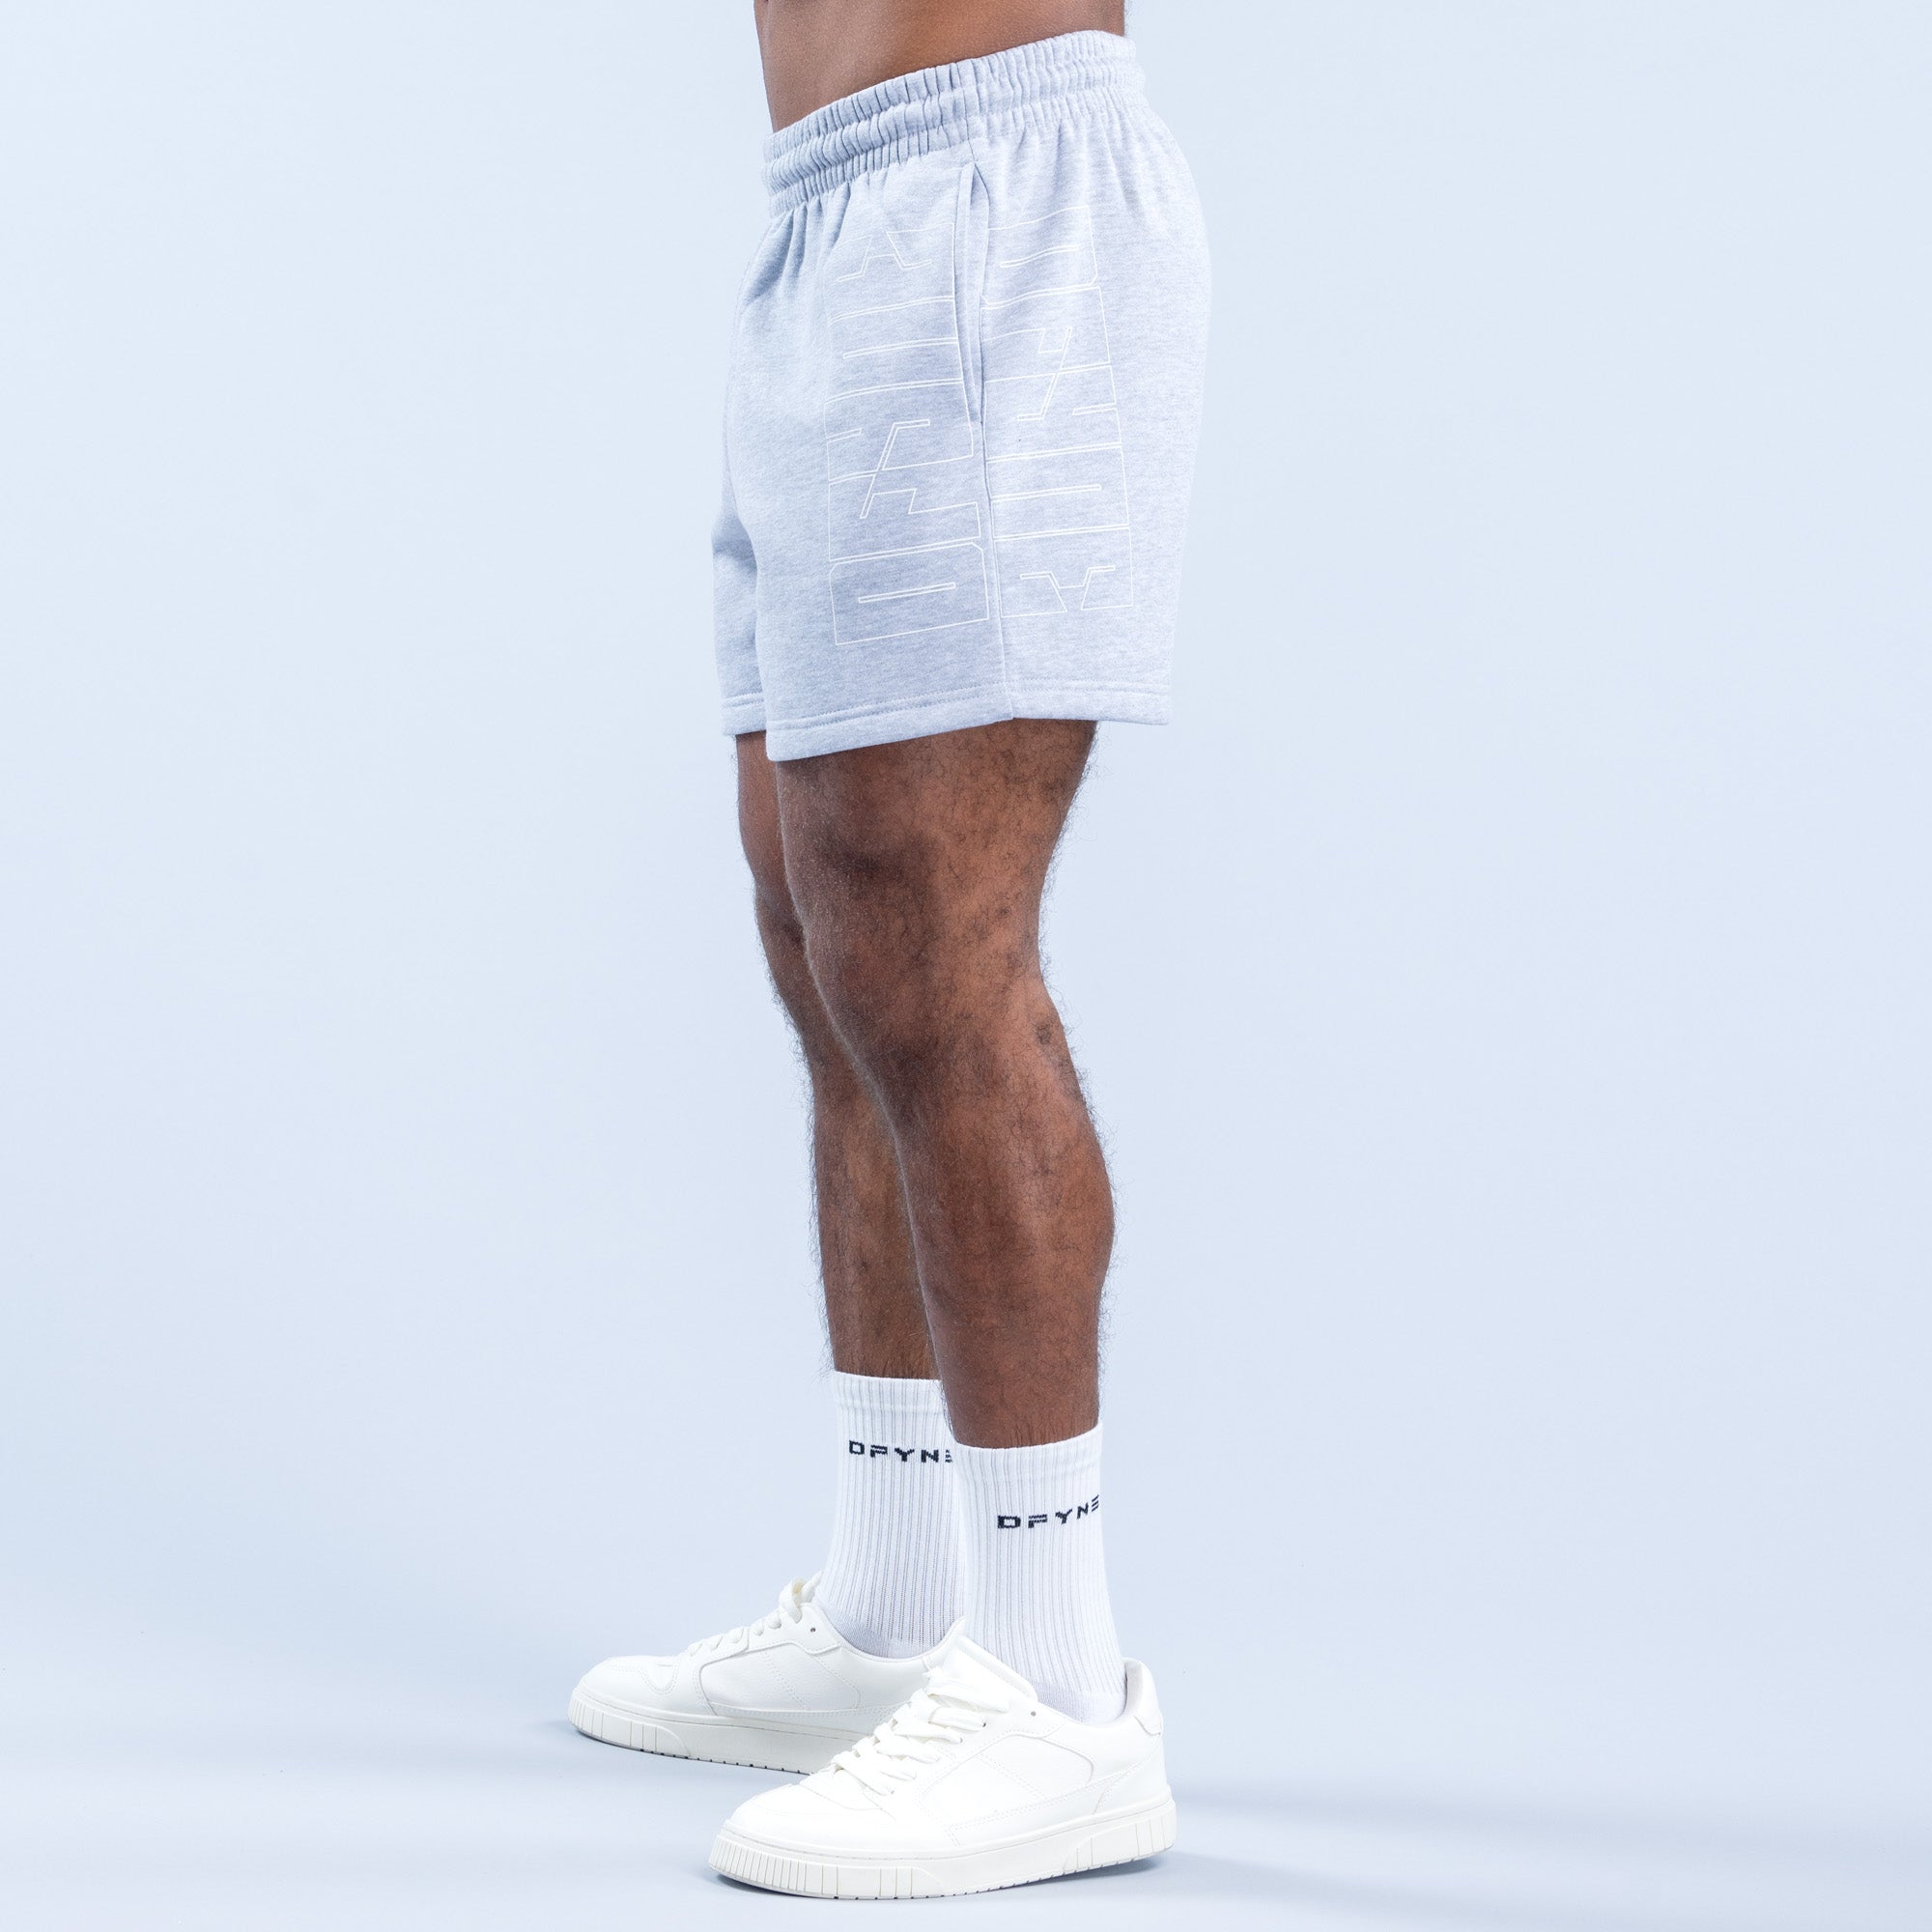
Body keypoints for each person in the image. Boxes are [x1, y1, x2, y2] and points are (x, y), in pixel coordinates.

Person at [569, 1, 1208, 1899]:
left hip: (992, 188)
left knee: (934, 944)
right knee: (822, 920)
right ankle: (895, 1608)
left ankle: (1060, 1687)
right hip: (825, 206)